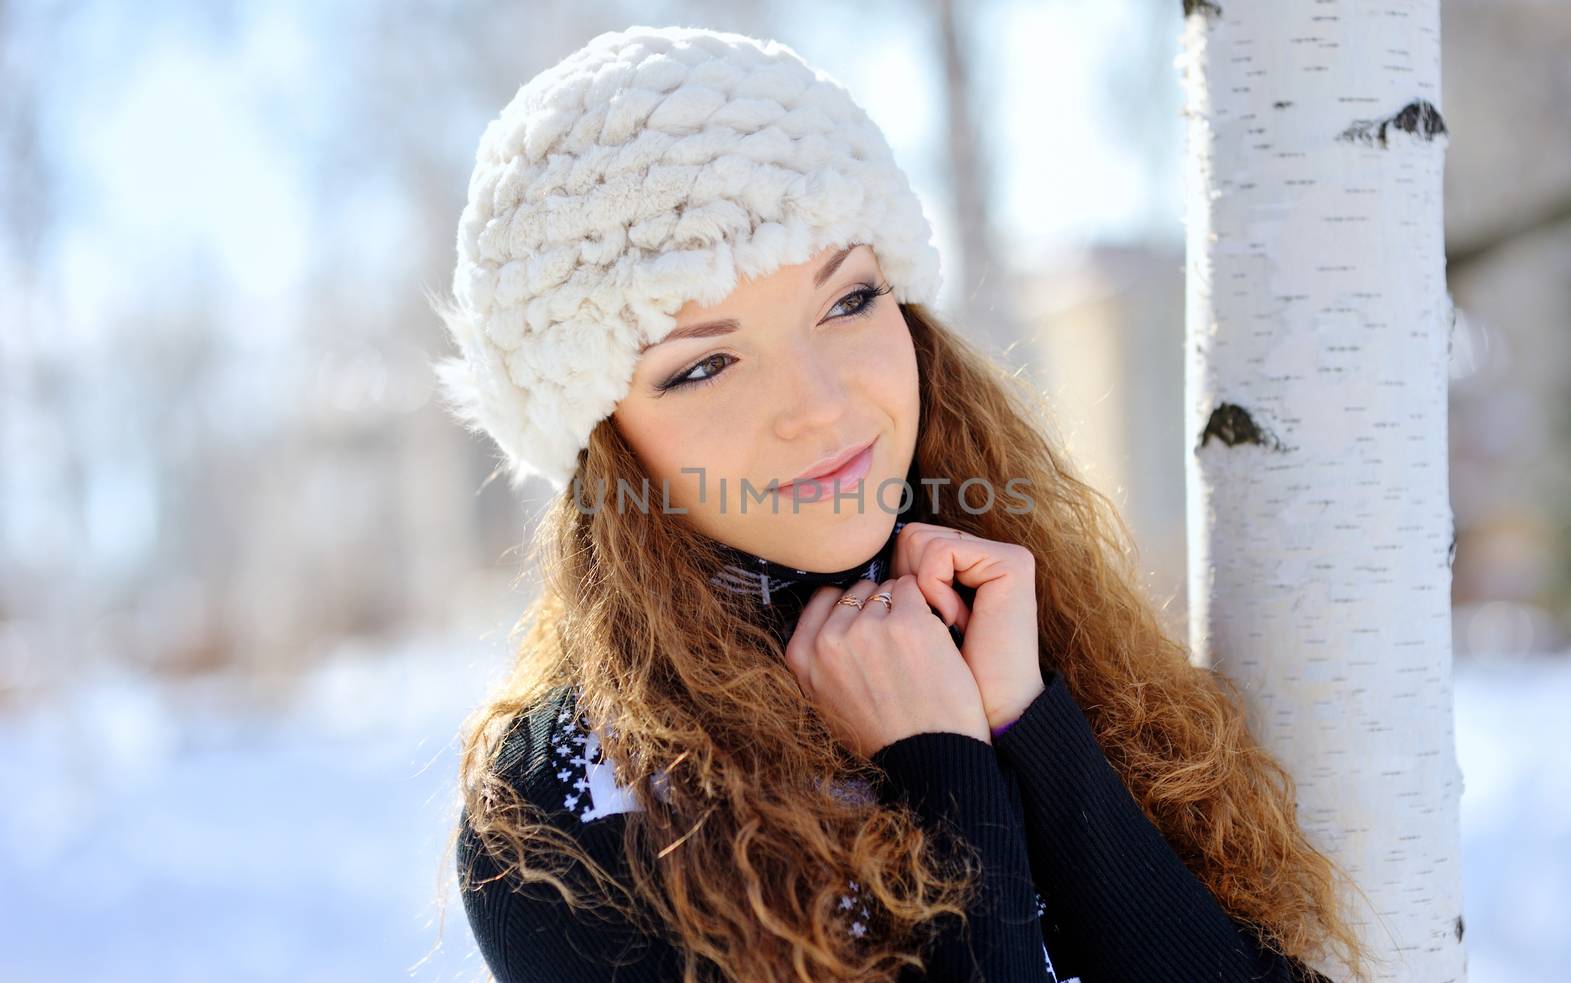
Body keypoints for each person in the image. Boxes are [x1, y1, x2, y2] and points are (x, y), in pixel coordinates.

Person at [430, 24, 1371, 983]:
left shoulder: (1031, 632)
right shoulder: (561, 816)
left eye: (848, 301)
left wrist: (1031, 731)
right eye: (706, 364)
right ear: (601, 440)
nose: (824, 405)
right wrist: (945, 770)